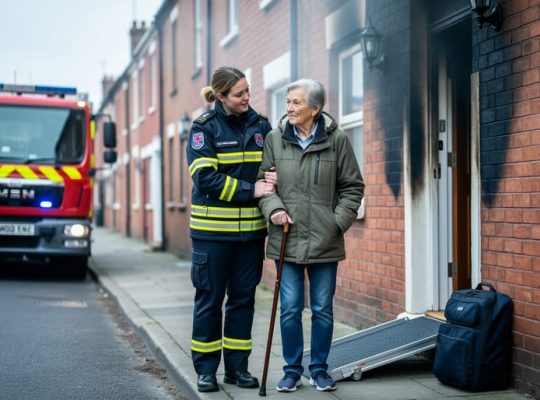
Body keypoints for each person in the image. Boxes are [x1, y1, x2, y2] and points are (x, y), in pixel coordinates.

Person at [258, 79, 365, 392]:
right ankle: (292, 370)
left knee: (322, 309)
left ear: (315, 109)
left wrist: (337, 222)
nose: (289, 107)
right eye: (288, 101)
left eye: (296, 102)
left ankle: (319, 369)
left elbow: (352, 186)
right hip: (286, 239)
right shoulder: (274, 139)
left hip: (325, 240)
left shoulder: (338, 140)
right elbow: (264, 186)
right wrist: (274, 210)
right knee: (290, 307)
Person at [186, 66, 275, 393]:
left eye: (248, 91)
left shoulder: (261, 125)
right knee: (209, 301)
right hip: (211, 237)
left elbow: (271, 166)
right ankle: (206, 370)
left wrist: (273, 178)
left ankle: (237, 369)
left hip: (250, 235)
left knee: (243, 301)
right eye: (240, 94)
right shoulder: (203, 128)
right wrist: (251, 190)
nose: (247, 98)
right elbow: (205, 178)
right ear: (221, 96)